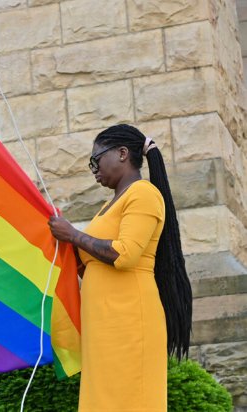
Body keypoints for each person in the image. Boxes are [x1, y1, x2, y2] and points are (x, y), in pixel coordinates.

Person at [48, 124, 192, 411]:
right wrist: (71, 251)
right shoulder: (110, 204)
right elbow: (95, 266)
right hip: (105, 323)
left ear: (122, 153)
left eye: (96, 159)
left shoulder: (144, 194)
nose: (94, 169)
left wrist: (74, 235)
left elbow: (125, 254)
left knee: (130, 401)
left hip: (129, 320)